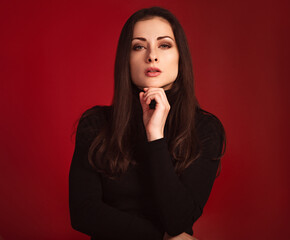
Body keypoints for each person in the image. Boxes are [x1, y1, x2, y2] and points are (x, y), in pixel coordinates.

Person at [69, 6, 225, 240]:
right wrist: (157, 237)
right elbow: (83, 213)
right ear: (126, 59)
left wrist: (155, 136)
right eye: (139, 46)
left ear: (180, 57)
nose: (151, 55)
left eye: (164, 45)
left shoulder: (205, 129)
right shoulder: (96, 123)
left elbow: (179, 220)